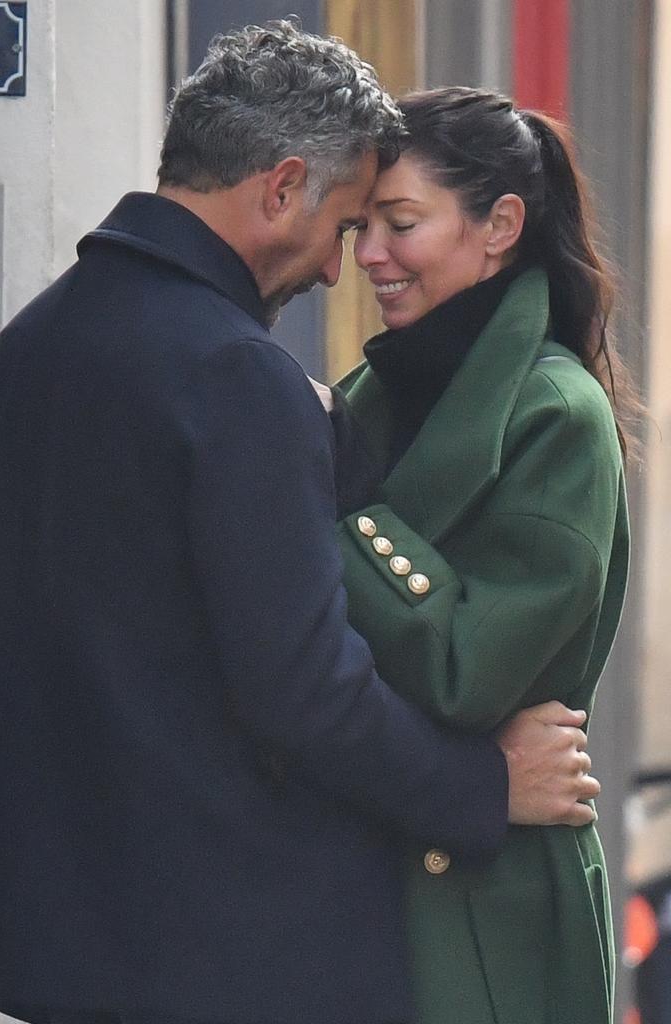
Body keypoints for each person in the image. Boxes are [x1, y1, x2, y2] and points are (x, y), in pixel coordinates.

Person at [0, 28, 598, 1024]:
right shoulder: (237, 378)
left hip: (53, 954)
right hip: (233, 956)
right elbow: (306, 692)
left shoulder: (24, 350)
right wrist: (482, 787)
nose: (340, 271)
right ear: (281, 187)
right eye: (347, 225)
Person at [326, 87, 632, 1024]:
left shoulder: (557, 416)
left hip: (492, 912)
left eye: (401, 223)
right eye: (361, 224)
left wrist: (324, 512)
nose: (370, 254)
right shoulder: (374, 390)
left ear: (500, 225)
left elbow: (466, 671)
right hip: (372, 884)